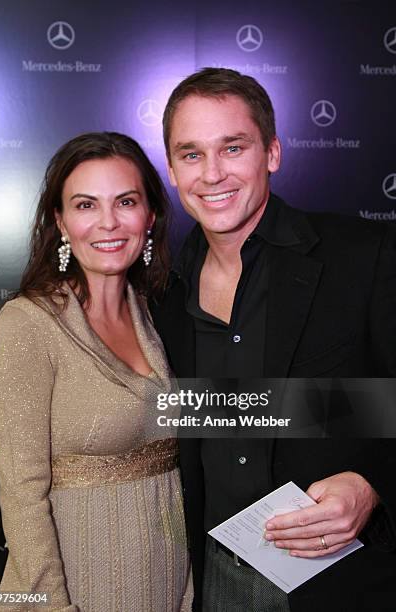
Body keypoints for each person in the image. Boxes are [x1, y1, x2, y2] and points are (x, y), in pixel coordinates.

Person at [150, 68, 396, 611]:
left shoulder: (363, 254)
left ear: (273, 153)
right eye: (191, 154)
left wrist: (372, 483)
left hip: (342, 584)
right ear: (171, 169)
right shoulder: (161, 294)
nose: (212, 173)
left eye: (232, 147)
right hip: (211, 581)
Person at [0, 132, 192, 611]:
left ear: (151, 215)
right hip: (76, 585)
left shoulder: (157, 314)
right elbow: (21, 495)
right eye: (85, 205)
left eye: (125, 201)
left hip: (166, 581)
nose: (107, 222)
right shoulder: (27, 324)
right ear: (60, 221)